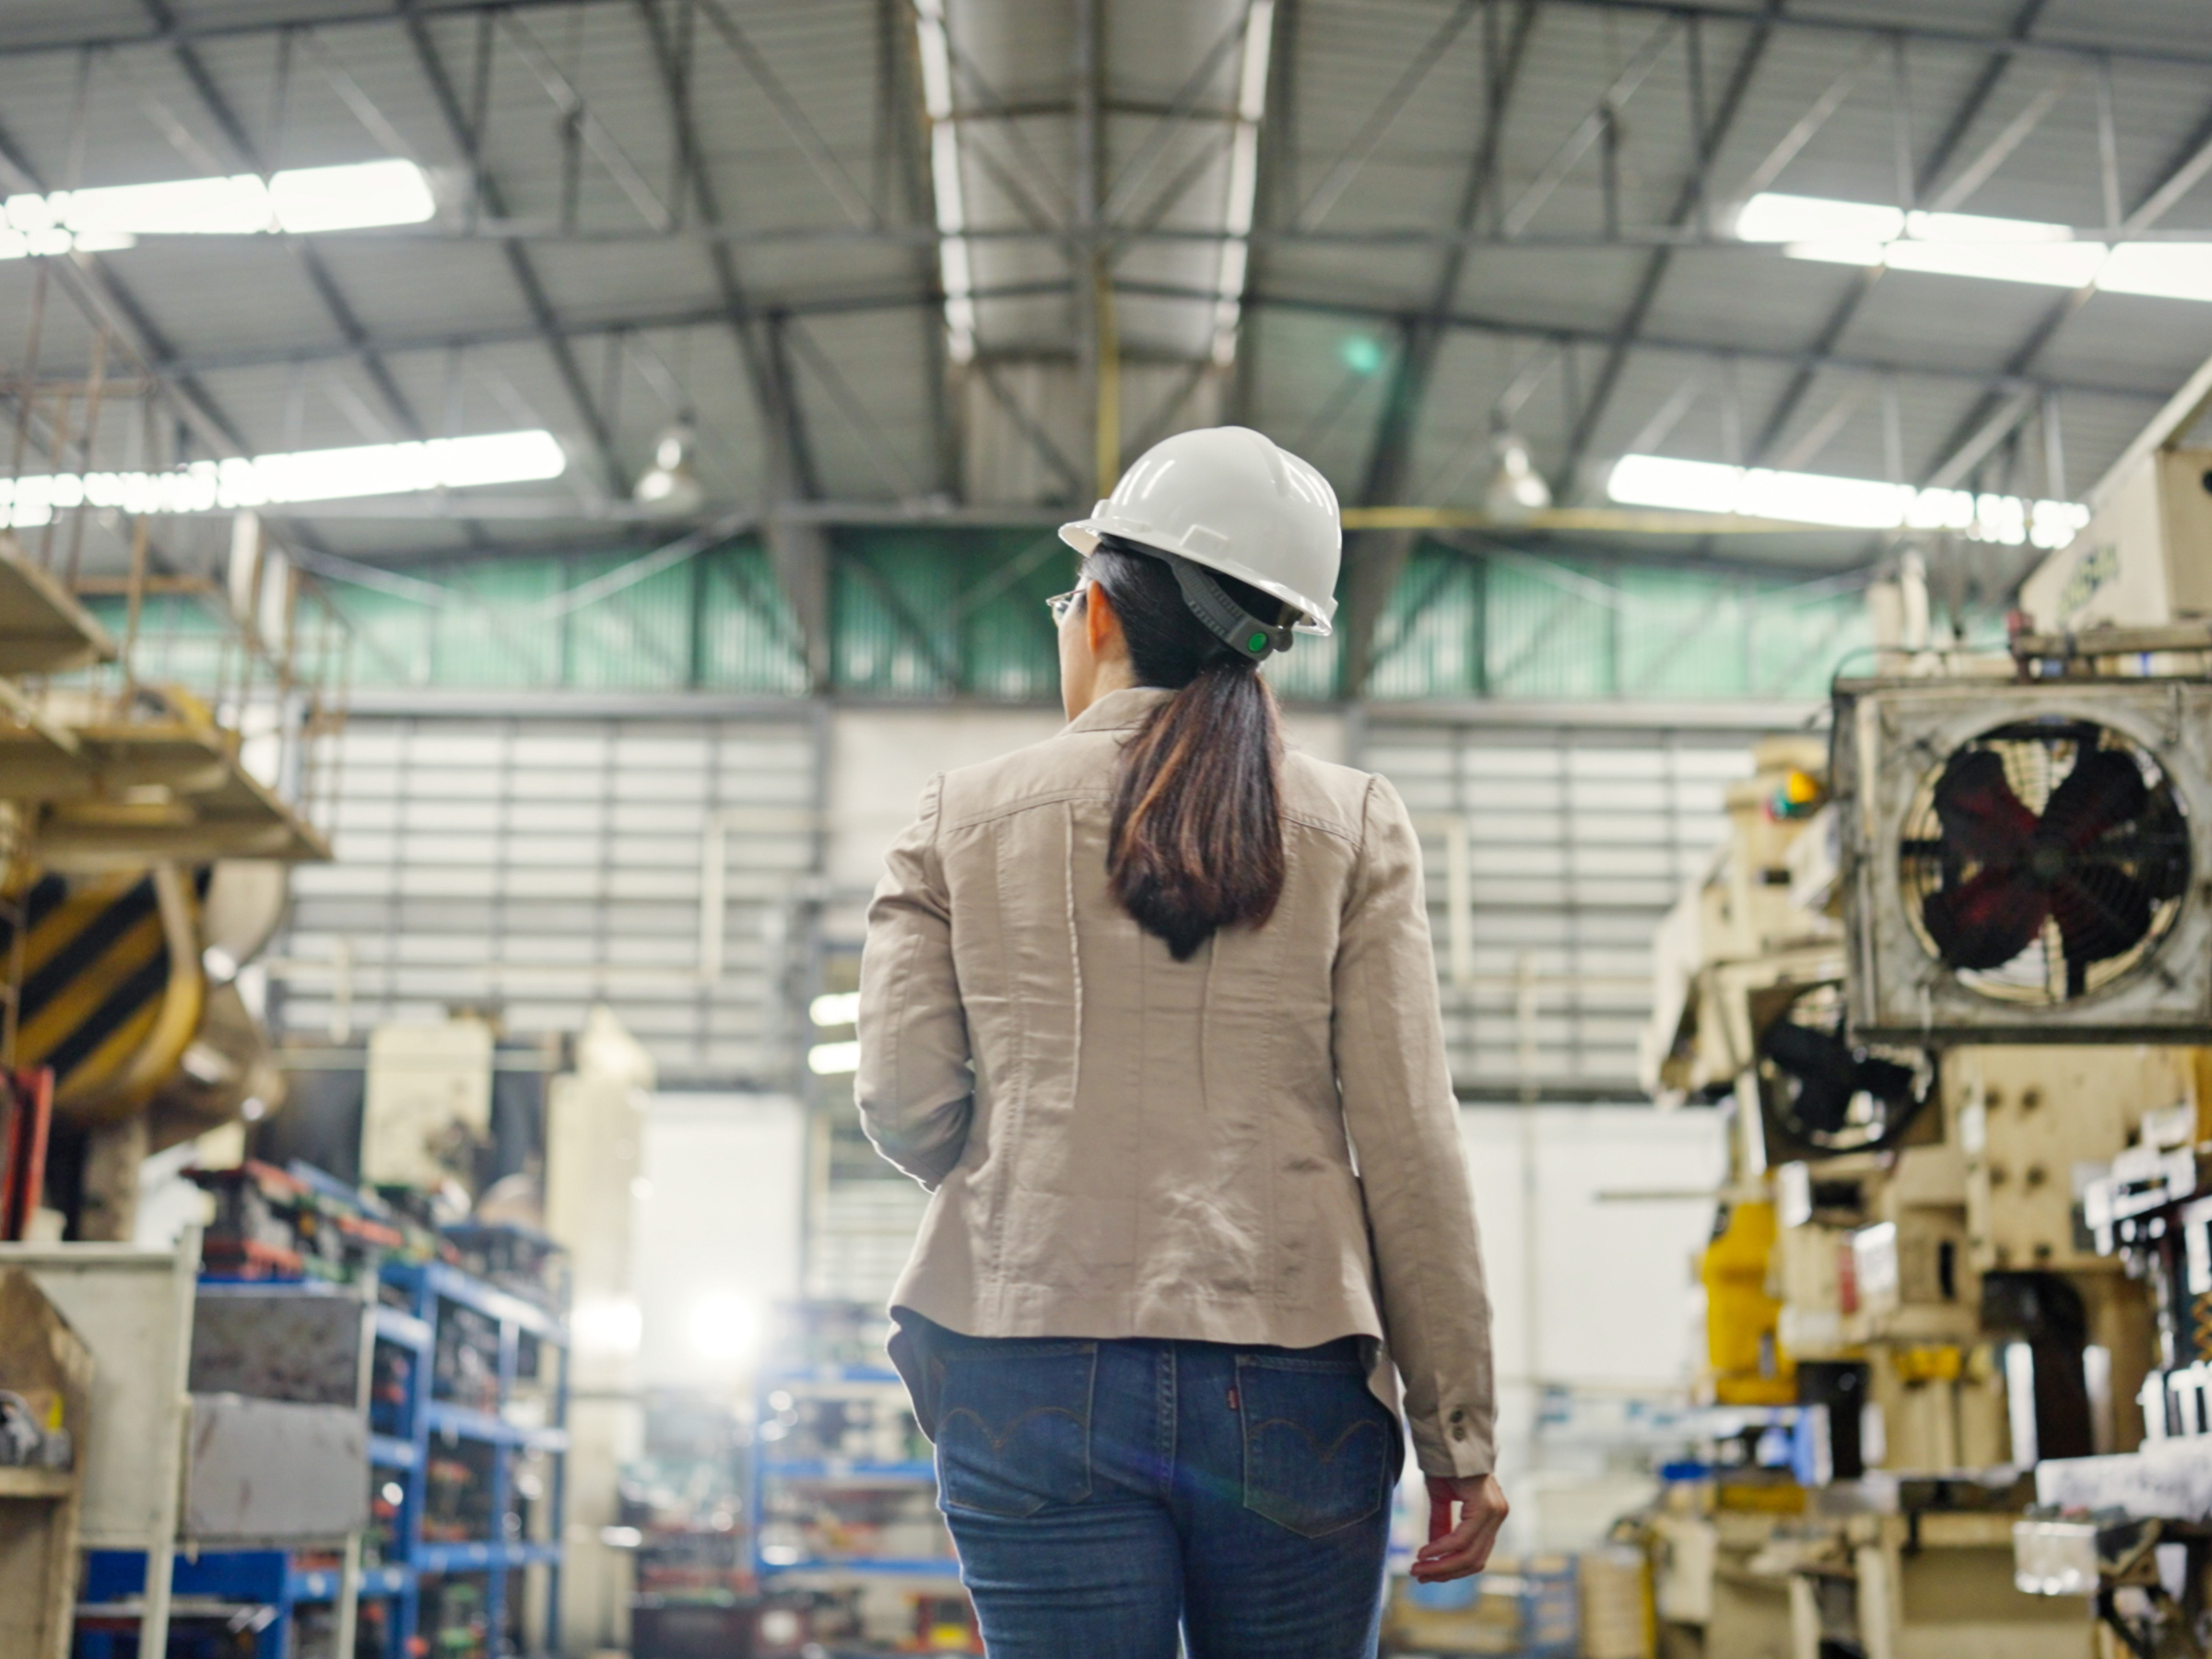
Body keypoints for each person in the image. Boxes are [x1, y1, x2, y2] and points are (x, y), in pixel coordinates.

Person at [855, 426, 1504, 1657]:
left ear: (1097, 609)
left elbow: (905, 1107)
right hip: (1297, 1385)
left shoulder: (959, 817)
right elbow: (1411, 1148)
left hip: (1023, 1369)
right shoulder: (1353, 824)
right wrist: (1458, 1437)